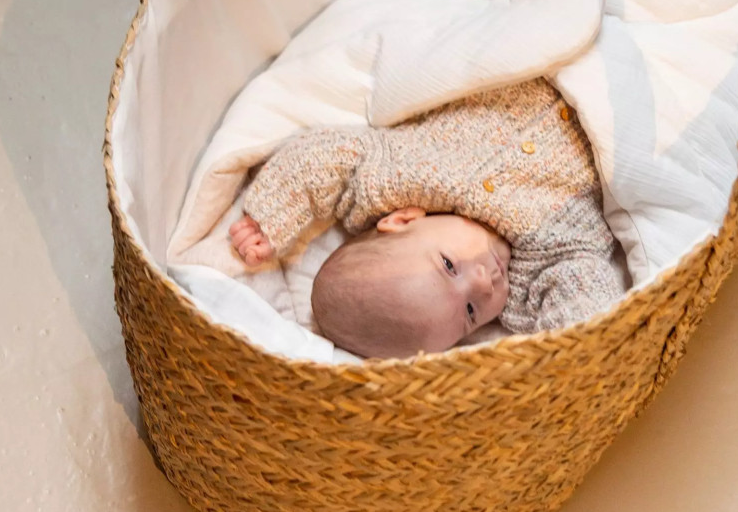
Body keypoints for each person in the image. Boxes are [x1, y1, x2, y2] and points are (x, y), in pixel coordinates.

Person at [229, 78, 622, 358]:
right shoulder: (543, 268)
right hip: (611, 111)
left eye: (449, 266)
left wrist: (272, 215)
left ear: (401, 221)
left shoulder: (398, 179)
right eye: (471, 313)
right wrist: (576, 358)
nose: (482, 282)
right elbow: (584, 305)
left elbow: (330, 158)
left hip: (526, 69)